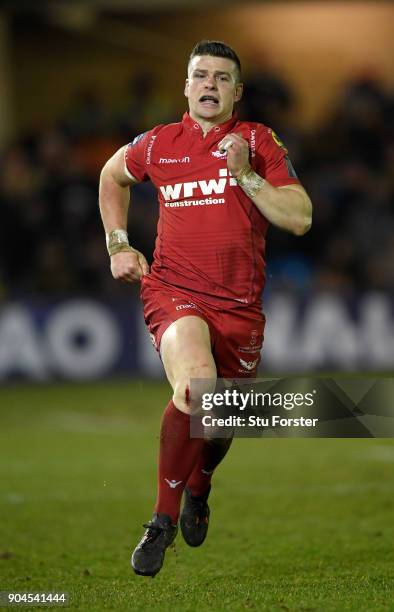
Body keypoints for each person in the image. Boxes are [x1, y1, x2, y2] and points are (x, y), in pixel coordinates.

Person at [99, 40, 312, 577]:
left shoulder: (258, 142)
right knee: (196, 388)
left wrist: (246, 174)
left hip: (240, 308)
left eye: (221, 77)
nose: (210, 84)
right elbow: (110, 176)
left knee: (219, 422)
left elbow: (300, 217)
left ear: (237, 92)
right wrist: (119, 243)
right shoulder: (160, 143)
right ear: (187, 87)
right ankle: (160, 522)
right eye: (200, 75)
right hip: (174, 291)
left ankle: (200, 484)